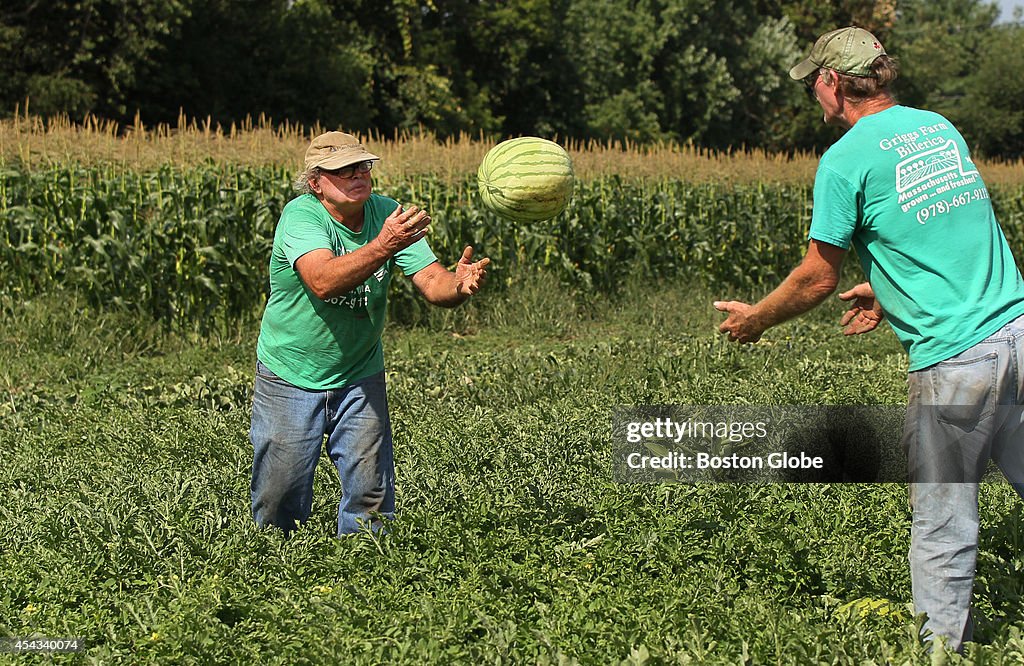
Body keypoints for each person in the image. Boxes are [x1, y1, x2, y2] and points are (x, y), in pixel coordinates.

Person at [714, 27, 1024, 652]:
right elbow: (950, 230)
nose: (813, 95)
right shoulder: (937, 127)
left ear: (833, 83)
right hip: (1018, 331)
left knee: (943, 521)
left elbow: (815, 277)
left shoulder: (845, 159)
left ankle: (941, 652)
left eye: (814, 83)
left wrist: (756, 320)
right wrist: (887, 291)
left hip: (956, 361)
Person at [250, 131, 489, 537]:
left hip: (359, 373)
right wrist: (383, 245)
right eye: (343, 170)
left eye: (363, 165)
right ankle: (276, 569)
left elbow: (433, 282)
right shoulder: (302, 216)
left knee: (370, 495)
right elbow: (323, 281)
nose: (358, 173)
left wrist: (458, 286)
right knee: (280, 495)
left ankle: (365, 573)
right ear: (315, 182)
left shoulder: (386, 213)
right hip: (290, 373)